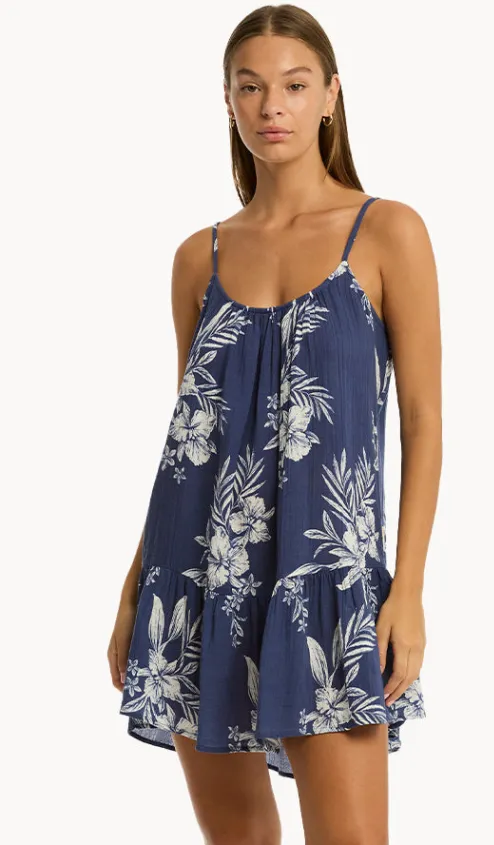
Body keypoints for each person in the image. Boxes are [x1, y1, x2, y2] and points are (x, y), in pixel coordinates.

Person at [107, 4, 442, 843]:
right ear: (227, 101)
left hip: (325, 581)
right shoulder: (199, 257)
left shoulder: (388, 232)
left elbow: (424, 421)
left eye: (294, 85)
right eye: (250, 87)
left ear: (331, 95)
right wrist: (136, 586)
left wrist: (407, 589)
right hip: (195, 577)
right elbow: (190, 443)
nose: (271, 107)